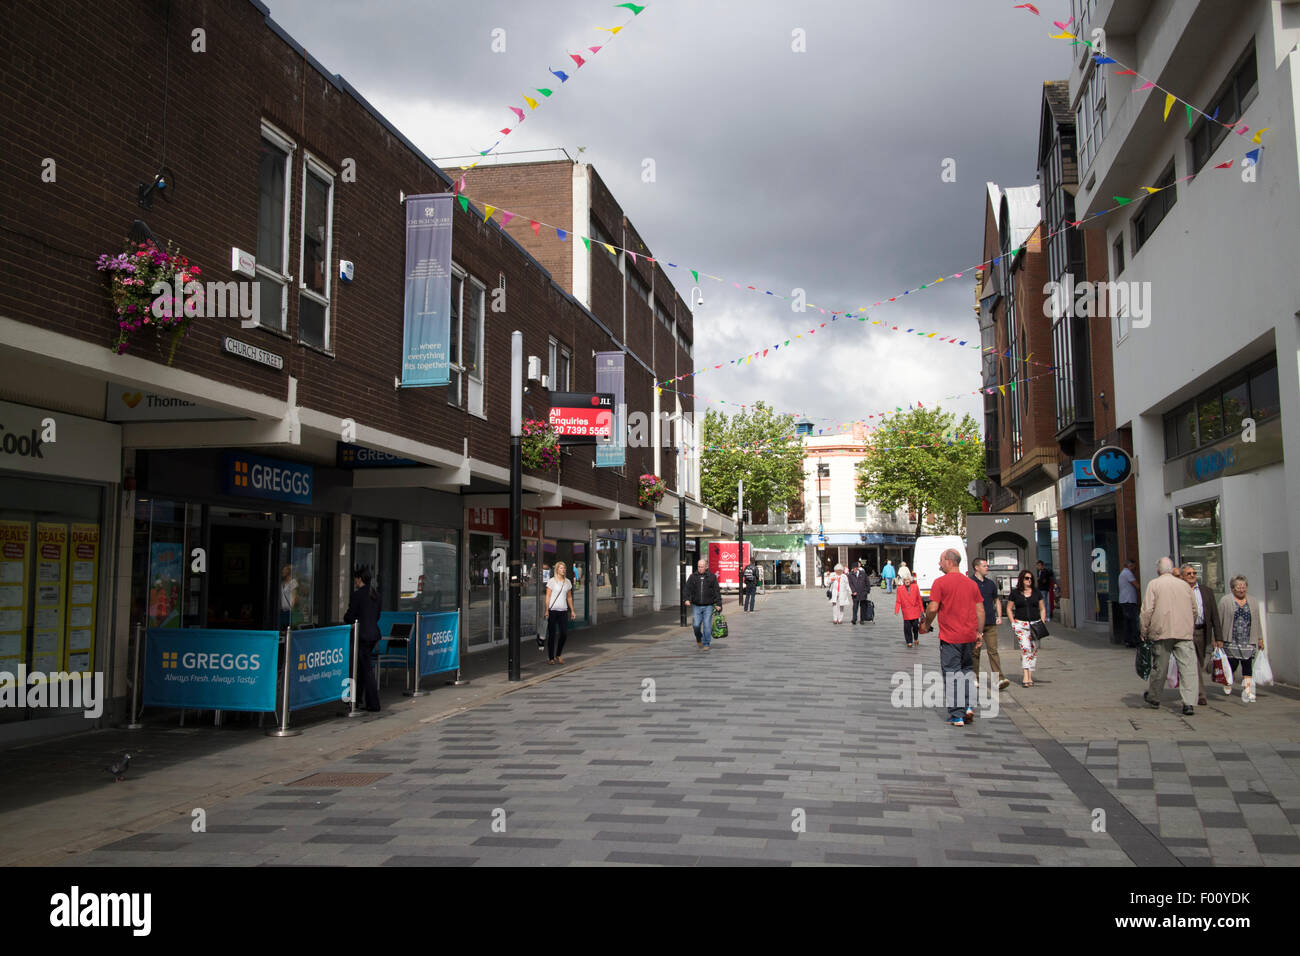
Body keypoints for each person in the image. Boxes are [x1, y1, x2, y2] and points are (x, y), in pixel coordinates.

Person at [919, 549, 983, 726]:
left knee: (952, 674)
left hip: (951, 637)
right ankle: (968, 706)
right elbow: (981, 610)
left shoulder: (940, 583)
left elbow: (932, 608)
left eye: (940, 561)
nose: (939, 564)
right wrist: (979, 632)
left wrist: (926, 624)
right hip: (969, 636)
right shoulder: (971, 584)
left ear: (949, 561)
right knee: (967, 672)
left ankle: (957, 715)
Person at [1140, 557, 1199, 715]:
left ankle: (1154, 696)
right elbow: (1194, 609)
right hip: (1184, 632)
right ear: (1173, 569)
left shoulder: (1154, 584)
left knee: (1160, 667)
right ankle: (1188, 703)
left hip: (1161, 631)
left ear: (1158, 570)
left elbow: (1147, 610)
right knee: (1188, 668)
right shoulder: (1184, 585)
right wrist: (1189, 623)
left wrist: (1144, 630)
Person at [1215, 575, 1265, 702]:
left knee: (1248, 665)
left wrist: (1260, 638)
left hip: (1248, 639)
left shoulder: (1253, 601)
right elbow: (1218, 621)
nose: (1241, 590)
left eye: (1244, 587)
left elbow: (1257, 621)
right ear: (1232, 588)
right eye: (1238, 587)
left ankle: (1248, 690)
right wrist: (1217, 638)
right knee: (1232, 664)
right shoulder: (1225, 601)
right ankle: (1228, 682)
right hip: (1231, 639)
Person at [343, 566, 381, 712]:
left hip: (361, 635)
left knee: (364, 669)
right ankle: (356, 699)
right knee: (361, 667)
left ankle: (372, 703)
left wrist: (348, 619)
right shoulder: (376, 595)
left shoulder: (357, 595)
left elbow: (350, 615)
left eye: (356, 579)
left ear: (359, 579)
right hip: (372, 635)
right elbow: (377, 616)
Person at [1182, 564, 1220, 707]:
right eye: (1188, 573)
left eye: (1193, 573)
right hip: (1186, 631)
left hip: (1202, 631)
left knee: (1200, 661)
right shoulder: (1180, 591)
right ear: (1183, 576)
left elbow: (1214, 615)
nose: (1192, 575)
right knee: (1194, 663)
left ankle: (1195, 690)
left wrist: (1218, 637)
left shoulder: (1206, 591)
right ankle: (1200, 694)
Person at [971, 558, 1010, 691]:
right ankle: (974, 677)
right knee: (975, 652)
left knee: (993, 651)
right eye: (984, 566)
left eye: (987, 565)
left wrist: (999, 616)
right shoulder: (970, 583)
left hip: (990, 623)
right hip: (975, 624)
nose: (987, 568)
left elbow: (996, 600)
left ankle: (998, 679)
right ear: (976, 567)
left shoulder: (990, 584)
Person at [1008, 569, 1046, 688]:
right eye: (1026, 578)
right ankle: (1025, 676)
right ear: (1021, 580)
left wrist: (1042, 622)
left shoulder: (1036, 592)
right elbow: (1009, 608)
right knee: (1026, 649)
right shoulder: (1015, 593)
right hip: (1021, 625)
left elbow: (1042, 608)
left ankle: (1030, 674)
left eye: (1030, 578)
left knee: (1033, 650)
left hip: (1035, 624)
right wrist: (1012, 622)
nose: (1029, 580)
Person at [683, 558, 720, 650]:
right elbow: (687, 589)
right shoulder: (693, 577)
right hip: (696, 605)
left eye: (702, 567)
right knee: (696, 625)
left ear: (706, 567)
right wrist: (686, 599)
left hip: (708, 606)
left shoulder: (712, 577)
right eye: (699, 567)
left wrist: (719, 604)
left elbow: (717, 591)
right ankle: (699, 638)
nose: (700, 568)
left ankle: (706, 643)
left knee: (707, 625)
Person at [545, 560, 575, 664]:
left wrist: (572, 611)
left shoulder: (567, 582)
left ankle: (558, 654)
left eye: (564, 568)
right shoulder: (551, 581)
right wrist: (546, 610)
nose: (563, 570)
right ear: (557, 570)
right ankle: (551, 658)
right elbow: (548, 596)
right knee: (552, 635)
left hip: (563, 611)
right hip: (552, 611)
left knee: (564, 633)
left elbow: (569, 597)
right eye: (561, 568)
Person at [894, 566, 923, 648]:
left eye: (908, 580)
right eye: (905, 580)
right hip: (906, 610)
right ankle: (909, 641)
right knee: (907, 627)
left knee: (915, 626)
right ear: (903, 581)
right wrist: (896, 610)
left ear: (910, 580)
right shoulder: (900, 589)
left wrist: (922, 610)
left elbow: (919, 599)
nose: (907, 581)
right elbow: (898, 600)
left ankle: (916, 637)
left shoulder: (915, 587)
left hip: (915, 610)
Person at [1118, 559, 1140, 647]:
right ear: (1130, 566)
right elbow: (1137, 585)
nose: (1135, 568)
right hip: (1128, 600)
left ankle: (1128, 640)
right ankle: (1134, 640)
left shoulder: (1123, 573)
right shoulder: (1128, 573)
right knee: (1132, 621)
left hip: (1125, 600)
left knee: (1127, 621)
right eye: (1134, 566)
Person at [279, 564, 298, 629]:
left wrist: (292, 608)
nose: (282, 572)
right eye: (282, 571)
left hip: (289, 611)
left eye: (284, 571)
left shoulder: (293, 582)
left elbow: (294, 596)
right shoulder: (282, 582)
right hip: (281, 610)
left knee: (287, 628)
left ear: (288, 572)